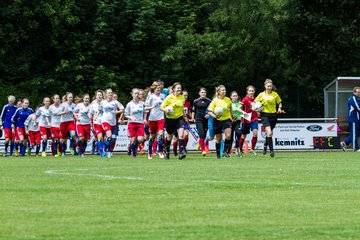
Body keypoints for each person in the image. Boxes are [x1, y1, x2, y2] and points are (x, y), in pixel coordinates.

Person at [254, 79, 282, 157]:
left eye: (270, 86)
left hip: (273, 115)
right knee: (269, 133)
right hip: (265, 116)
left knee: (270, 133)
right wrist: (257, 111)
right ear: (265, 86)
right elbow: (255, 103)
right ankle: (272, 151)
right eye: (268, 86)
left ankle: (265, 145)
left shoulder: (275, 94)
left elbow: (279, 102)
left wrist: (279, 108)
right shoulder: (261, 95)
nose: (269, 87)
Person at [160, 82, 187, 160]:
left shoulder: (182, 98)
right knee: (169, 136)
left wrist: (184, 116)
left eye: (180, 88)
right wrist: (166, 110)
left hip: (179, 118)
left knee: (181, 135)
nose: (179, 89)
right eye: (177, 88)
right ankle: (167, 151)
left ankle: (181, 152)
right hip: (170, 120)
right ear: (173, 89)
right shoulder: (169, 98)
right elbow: (161, 107)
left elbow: (182, 108)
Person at [208, 85, 234, 158]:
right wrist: (215, 116)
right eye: (223, 90)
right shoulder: (215, 100)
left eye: (225, 90)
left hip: (227, 119)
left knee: (228, 135)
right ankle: (218, 154)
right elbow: (209, 111)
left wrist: (232, 116)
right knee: (219, 139)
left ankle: (226, 151)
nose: (224, 91)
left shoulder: (228, 99)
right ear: (219, 92)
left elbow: (230, 108)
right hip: (217, 121)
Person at [101, 88, 124, 158]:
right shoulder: (102, 102)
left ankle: (104, 148)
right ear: (106, 94)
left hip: (113, 122)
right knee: (109, 135)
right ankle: (108, 152)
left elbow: (122, 109)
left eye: (111, 93)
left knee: (111, 138)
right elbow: (98, 110)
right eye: (109, 93)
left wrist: (116, 112)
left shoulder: (115, 102)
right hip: (105, 121)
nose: (110, 94)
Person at [145, 84, 166, 159]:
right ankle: (150, 152)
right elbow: (146, 107)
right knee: (152, 136)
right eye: (157, 88)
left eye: (159, 88)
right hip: (152, 118)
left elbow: (166, 105)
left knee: (160, 134)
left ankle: (160, 151)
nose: (158, 89)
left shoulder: (163, 96)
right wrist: (152, 106)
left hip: (161, 117)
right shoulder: (150, 96)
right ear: (154, 88)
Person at [125, 88, 146, 158]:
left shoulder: (142, 103)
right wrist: (130, 117)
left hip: (140, 123)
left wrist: (145, 119)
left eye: (138, 93)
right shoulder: (129, 104)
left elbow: (145, 112)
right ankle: (134, 153)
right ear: (132, 94)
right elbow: (125, 114)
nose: (137, 95)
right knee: (133, 139)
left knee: (140, 139)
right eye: (135, 93)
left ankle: (133, 147)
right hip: (132, 123)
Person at [239, 85, 259, 156]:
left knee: (255, 132)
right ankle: (240, 149)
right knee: (244, 135)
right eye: (250, 91)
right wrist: (244, 112)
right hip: (246, 119)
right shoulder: (245, 99)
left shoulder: (256, 99)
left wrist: (258, 111)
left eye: (252, 91)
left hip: (254, 118)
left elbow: (257, 108)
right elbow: (239, 108)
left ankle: (252, 149)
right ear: (247, 92)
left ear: (254, 92)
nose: (251, 92)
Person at [192, 88, 211, 156]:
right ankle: (203, 151)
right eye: (202, 92)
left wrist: (208, 115)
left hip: (206, 120)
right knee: (202, 134)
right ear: (199, 93)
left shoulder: (209, 101)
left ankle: (200, 144)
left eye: (204, 92)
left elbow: (210, 110)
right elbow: (193, 111)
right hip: (198, 119)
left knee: (204, 136)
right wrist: (192, 118)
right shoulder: (196, 101)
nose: (203, 93)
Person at [341, 86, 360, 151]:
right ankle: (355, 148)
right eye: (358, 92)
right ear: (354, 92)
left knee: (355, 133)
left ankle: (345, 143)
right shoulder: (353, 98)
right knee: (354, 134)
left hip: (356, 119)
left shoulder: (356, 98)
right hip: (353, 119)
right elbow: (358, 108)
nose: (359, 93)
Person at [58, 92, 76, 156]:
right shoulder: (63, 105)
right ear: (67, 98)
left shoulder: (74, 105)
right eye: (69, 97)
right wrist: (64, 112)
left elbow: (75, 113)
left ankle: (71, 147)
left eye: (72, 97)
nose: (71, 98)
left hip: (70, 121)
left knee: (73, 135)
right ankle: (63, 152)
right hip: (63, 122)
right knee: (63, 139)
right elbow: (58, 113)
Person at [90, 90, 105, 156]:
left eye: (100, 95)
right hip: (96, 122)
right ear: (96, 96)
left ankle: (95, 144)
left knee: (103, 138)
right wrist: (92, 117)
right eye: (98, 95)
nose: (99, 96)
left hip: (104, 122)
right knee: (100, 136)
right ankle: (101, 152)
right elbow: (90, 113)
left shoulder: (105, 103)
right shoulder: (93, 104)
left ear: (102, 96)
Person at [230, 91, 243, 156]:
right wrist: (231, 118)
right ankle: (227, 151)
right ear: (231, 97)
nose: (235, 97)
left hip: (237, 121)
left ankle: (236, 147)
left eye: (236, 96)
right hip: (230, 122)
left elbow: (242, 113)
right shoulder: (229, 104)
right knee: (230, 137)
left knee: (239, 133)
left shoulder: (240, 104)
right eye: (234, 96)